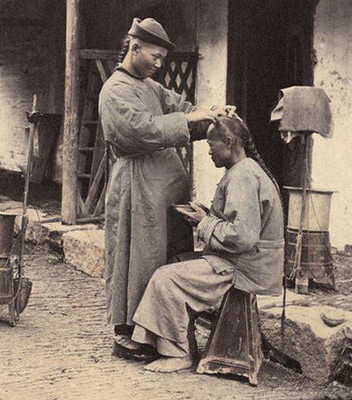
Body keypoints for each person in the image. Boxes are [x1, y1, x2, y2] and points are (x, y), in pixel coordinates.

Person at [99, 17, 230, 359]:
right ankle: (129, 334)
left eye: (163, 59)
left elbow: (184, 112)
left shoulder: (151, 87)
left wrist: (211, 115)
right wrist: (186, 120)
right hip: (138, 186)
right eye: (154, 56)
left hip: (167, 188)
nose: (159, 64)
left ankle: (162, 332)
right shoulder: (116, 89)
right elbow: (138, 130)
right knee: (138, 257)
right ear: (135, 47)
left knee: (167, 256)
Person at [130, 116, 285, 373]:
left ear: (229, 142)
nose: (209, 150)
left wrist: (204, 223)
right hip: (242, 260)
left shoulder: (243, 176)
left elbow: (243, 237)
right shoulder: (242, 171)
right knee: (176, 263)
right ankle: (175, 342)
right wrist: (207, 216)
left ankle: (178, 354)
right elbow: (237, 224)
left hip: (244, 267)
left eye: (212, 145)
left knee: (165, 278)